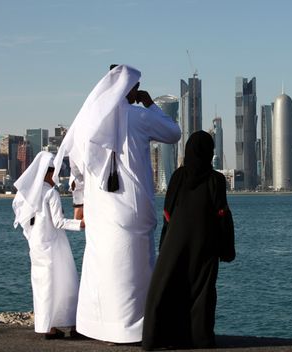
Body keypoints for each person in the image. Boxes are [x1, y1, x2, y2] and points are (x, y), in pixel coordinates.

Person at [53, 64, 181, 343]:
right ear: (130, 89)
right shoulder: (139, 116)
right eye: (136, 87)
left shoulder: (89, 119)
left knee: (103, 267)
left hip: (101, 207)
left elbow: (75, 163)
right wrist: (151, 105)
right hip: (132, 204)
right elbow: (174, 133)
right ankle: (136, 329)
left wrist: (80, 201)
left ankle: (100, 327)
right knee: (136, 269)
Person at [142, 131, 235, 350]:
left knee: (170, 287)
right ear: (210, 153)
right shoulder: (216, 179)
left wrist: (166, 243)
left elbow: (167, 211)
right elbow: (221, 213)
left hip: (176, 241)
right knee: (202, 291)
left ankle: (161, 338)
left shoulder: (178, 176)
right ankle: (200, 339)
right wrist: (226, 248)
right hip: (205, 243)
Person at [12, 151, 84, 339]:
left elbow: (23, 220)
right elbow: (59, 222)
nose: (57, 177)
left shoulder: (26, 195)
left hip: (36, 245)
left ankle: (48, 327)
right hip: (54, 244)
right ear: (47, 172)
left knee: (43, 285)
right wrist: (81, 224)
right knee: (65, 282)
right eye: (56, 172)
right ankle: (72, 323)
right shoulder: (51, 193)